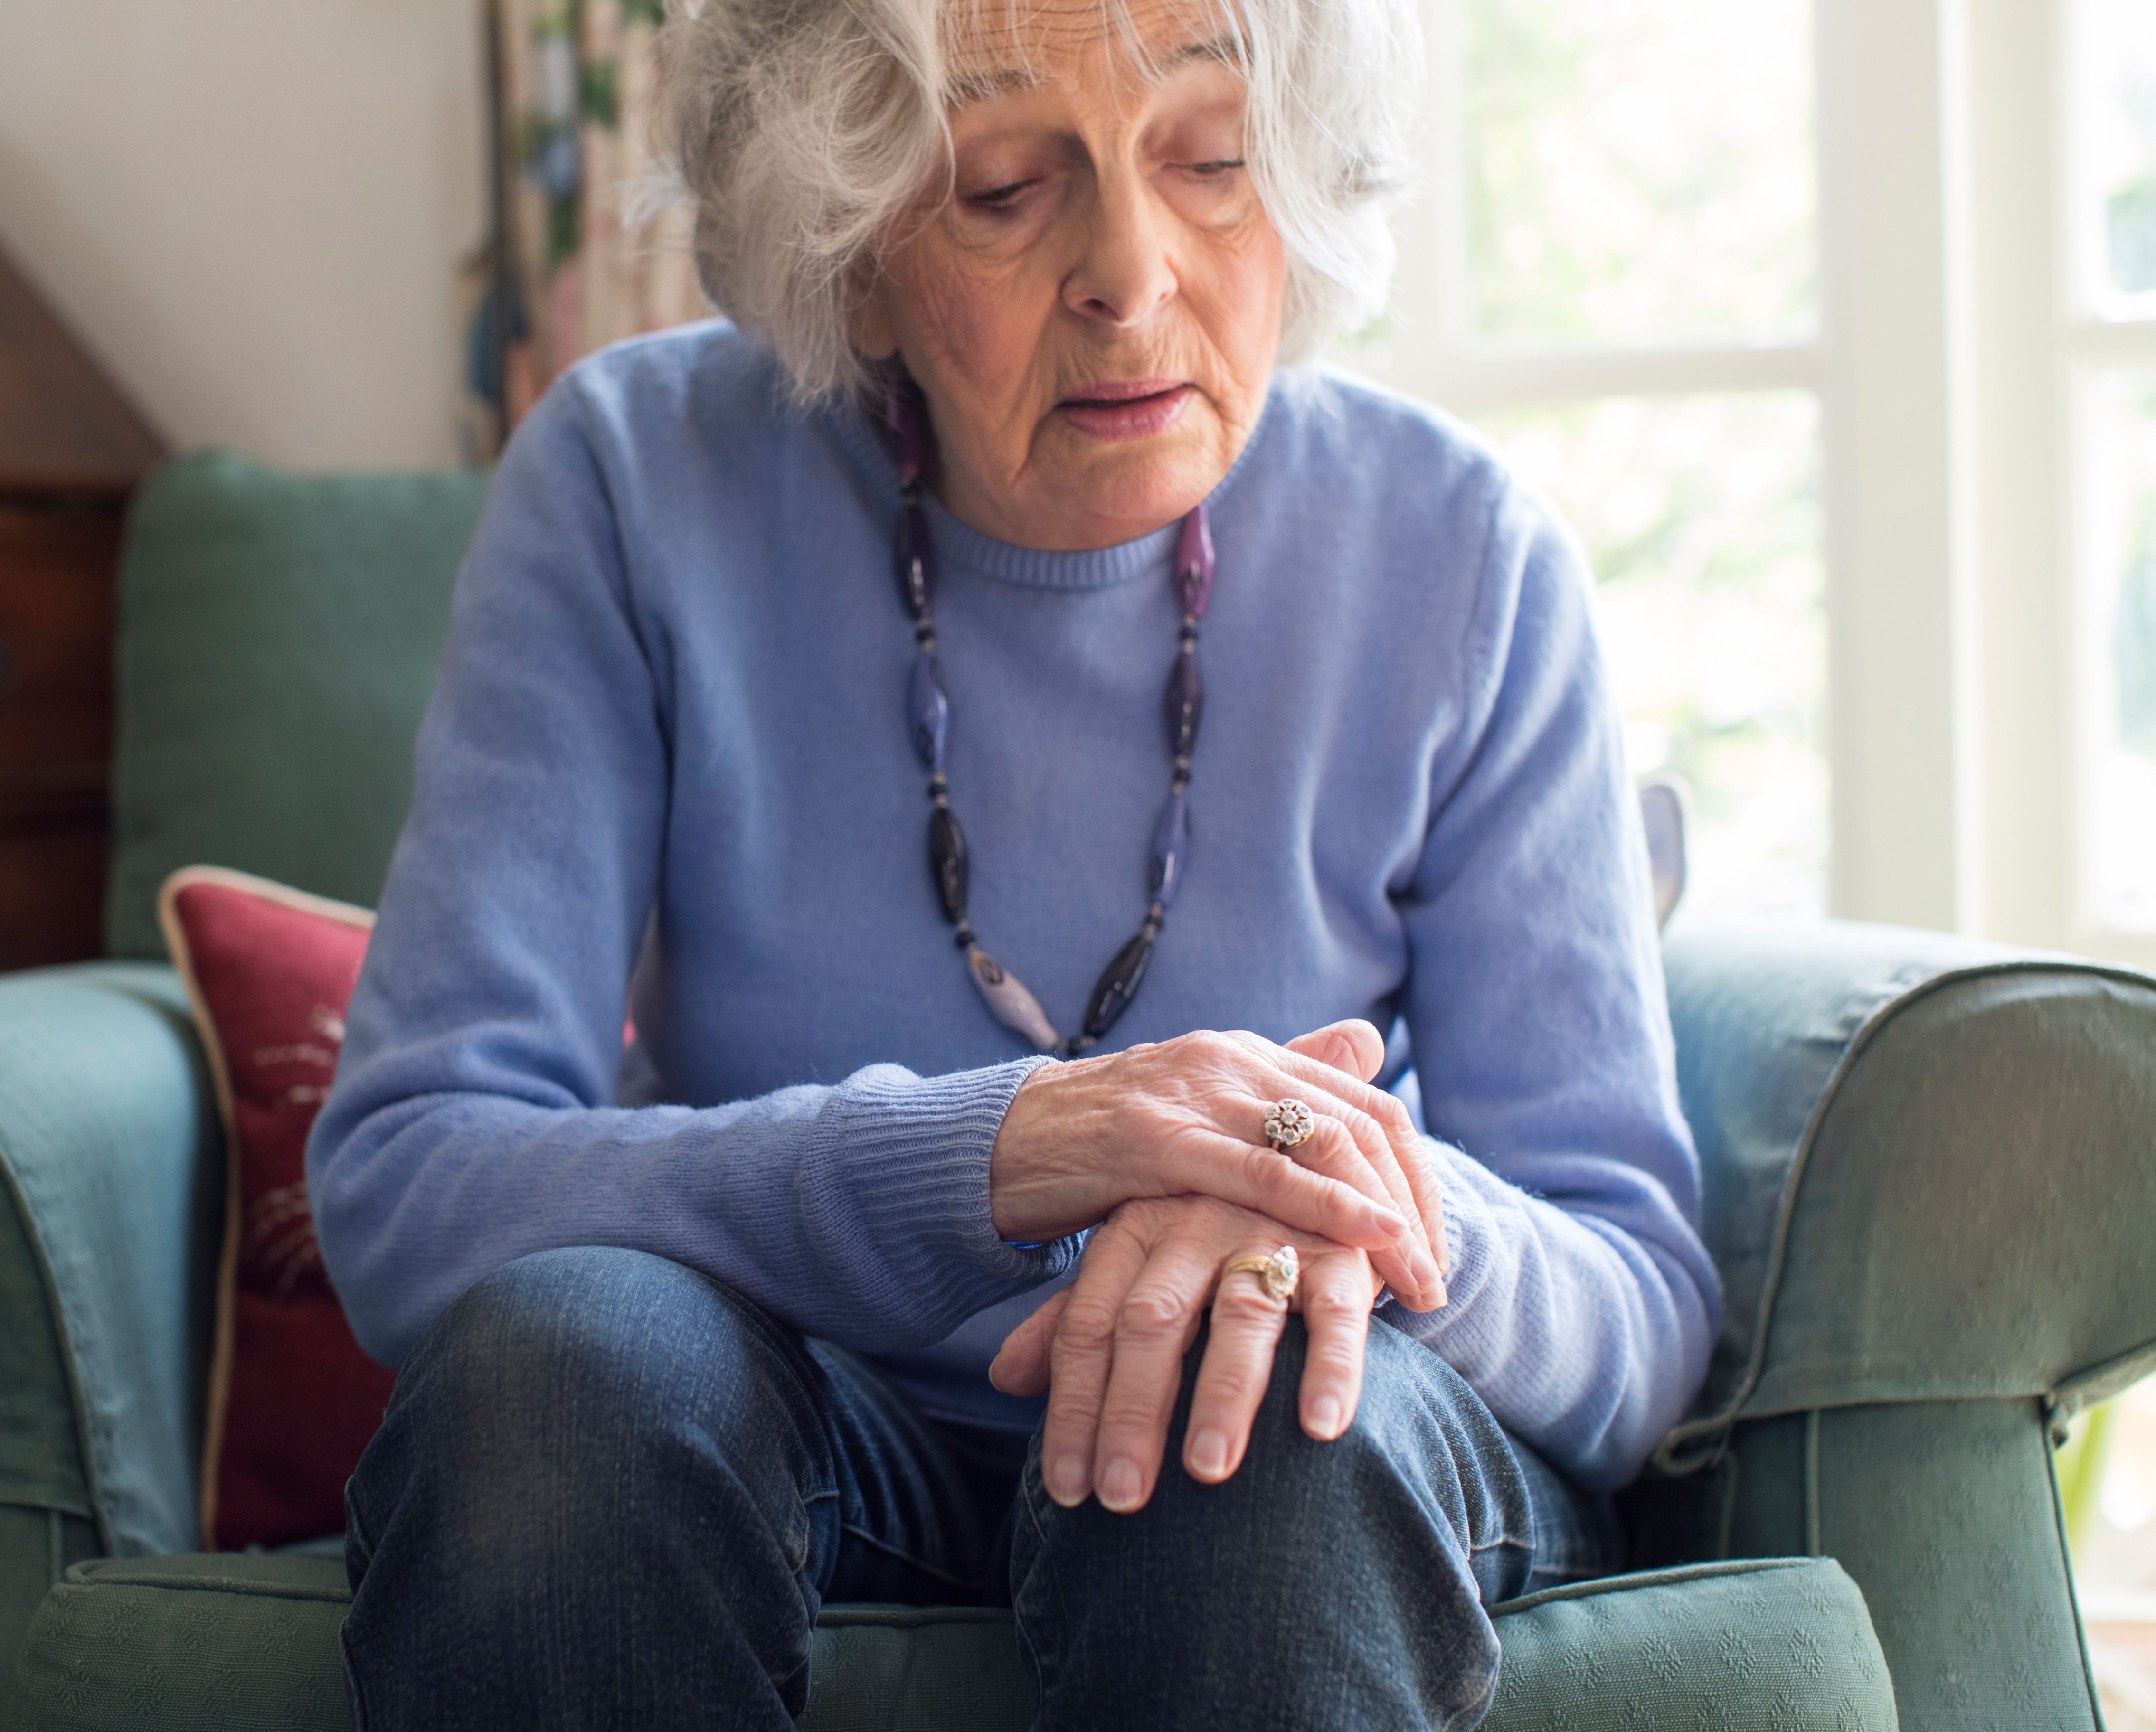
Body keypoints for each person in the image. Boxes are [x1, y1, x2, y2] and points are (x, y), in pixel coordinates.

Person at [306, 0, 1721, 1721]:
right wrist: (988, 1152)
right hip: (800, 1419)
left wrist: (1327, 1194)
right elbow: (413, 1179)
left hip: (1298, 1448)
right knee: (556, 1380)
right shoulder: (633, 483)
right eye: (998, 187)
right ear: (853, 250)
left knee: (1256, 1393)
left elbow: (1634, 1304)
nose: (1133, 272)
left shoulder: (1462, 553)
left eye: (1212, 160)